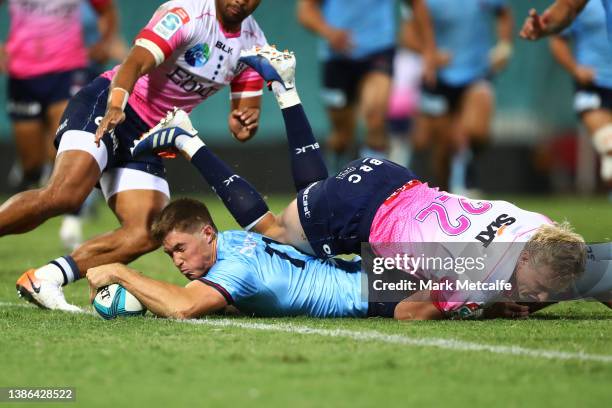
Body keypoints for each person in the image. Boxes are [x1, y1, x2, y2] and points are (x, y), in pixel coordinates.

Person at [130, 46, 609, 319]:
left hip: (394, 183)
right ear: (528, 255)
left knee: (309, 218)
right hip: (372, 209)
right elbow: (410, 313)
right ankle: (189, 138)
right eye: (539, 289)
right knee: (274, 232)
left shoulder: (538, 228)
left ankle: (286, 88)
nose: (541, 297)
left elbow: (581, 268)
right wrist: (481, 309)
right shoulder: (472, 272)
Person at [12, 0, 268, 311]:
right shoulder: (186, 14)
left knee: (148, 231)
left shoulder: (255, 46)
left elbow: (243, 124)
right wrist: (117, 103)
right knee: (65, 195)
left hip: (149, 136)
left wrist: (244, 122)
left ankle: (45, 278)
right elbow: (134, 61)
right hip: (111, 104)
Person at [296, 0, 437, 171]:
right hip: (337, 57)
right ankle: (335, 174)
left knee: (375, 117)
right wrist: (328, 32)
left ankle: (374, 181)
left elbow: (416, 4)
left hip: (379, 51)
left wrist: (429, 50)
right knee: (341, 134)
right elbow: (305, 11)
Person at [409, 0, 513, 193]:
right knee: (442, 147)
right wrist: (430, 53)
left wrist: (504, 45)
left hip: (477, 73)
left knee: (476, 130)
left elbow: (504, 13)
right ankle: (447, 190)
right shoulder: (422, 4)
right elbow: (407, 34)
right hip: (440, 78)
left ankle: (467, 175)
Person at [549, 1, 612, 185]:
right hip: (594, 86)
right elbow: (557, 41)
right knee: (608, 143)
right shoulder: (579, 4)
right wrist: (576, 69)